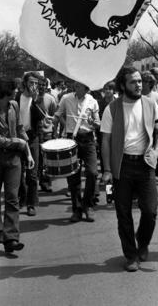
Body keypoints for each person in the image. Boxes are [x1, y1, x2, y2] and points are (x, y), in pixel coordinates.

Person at [101, 66, 158, 272]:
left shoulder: (150, 104)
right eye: (133, 82)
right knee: (123, 214)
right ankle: (131, 255)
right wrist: (107, 170)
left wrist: (156, 151)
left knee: (150, 211)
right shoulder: (112, 108)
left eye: (139, 81)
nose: (138, 85)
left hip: (146, 164)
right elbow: (106, 141)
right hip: (122, 166)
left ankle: (143, 241)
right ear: (123, 85)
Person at [0, 77, 34, 253]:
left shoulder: (14, 106)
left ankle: (11, 238)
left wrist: (28, 151)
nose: (14, 95)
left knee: (12, 196)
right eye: (11, 92)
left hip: (14, 159)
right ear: (2, 94)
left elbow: (20, 128)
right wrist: (17, 142)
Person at [55, 81, 100, 222]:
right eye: (76, 84)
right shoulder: (66, 98)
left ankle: (88, 205)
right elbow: (58, 114)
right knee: (73, 176)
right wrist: (55, 124)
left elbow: (98, 122)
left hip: (88, 139)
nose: (76, 86)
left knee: (92, 173)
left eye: (79, 85)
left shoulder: (93, 101)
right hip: (71, 139)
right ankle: (77, 209)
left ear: (86, 88)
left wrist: (94, 123)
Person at [16, 72, 45, 216]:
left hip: (32, 138)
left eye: (36, 83)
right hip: (18, 139)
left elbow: (42, 117)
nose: (33, 86)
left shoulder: (38, 99)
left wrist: (35, 100)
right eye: (31, 82)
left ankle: (31, 203)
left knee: (32, 174)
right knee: (19, 172)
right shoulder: (16, 98)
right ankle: (23, 197)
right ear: (25, 83)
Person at [142, 72, 158, 185]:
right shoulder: (136, 96)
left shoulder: (157, 97)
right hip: (142, 130)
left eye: (145, 82)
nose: (142, 84)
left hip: (156, 129)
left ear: (150, 83)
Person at [36, 76, 57, 192]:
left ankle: (46, 182)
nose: (41, 87)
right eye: (39, 84)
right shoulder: (32, 99)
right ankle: (35, 182)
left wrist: (54, 133)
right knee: (37, 159)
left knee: (47, 160)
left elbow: (54, 117)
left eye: (43, 85)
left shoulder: (51, 99)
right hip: (35, 133)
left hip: (47, 133)